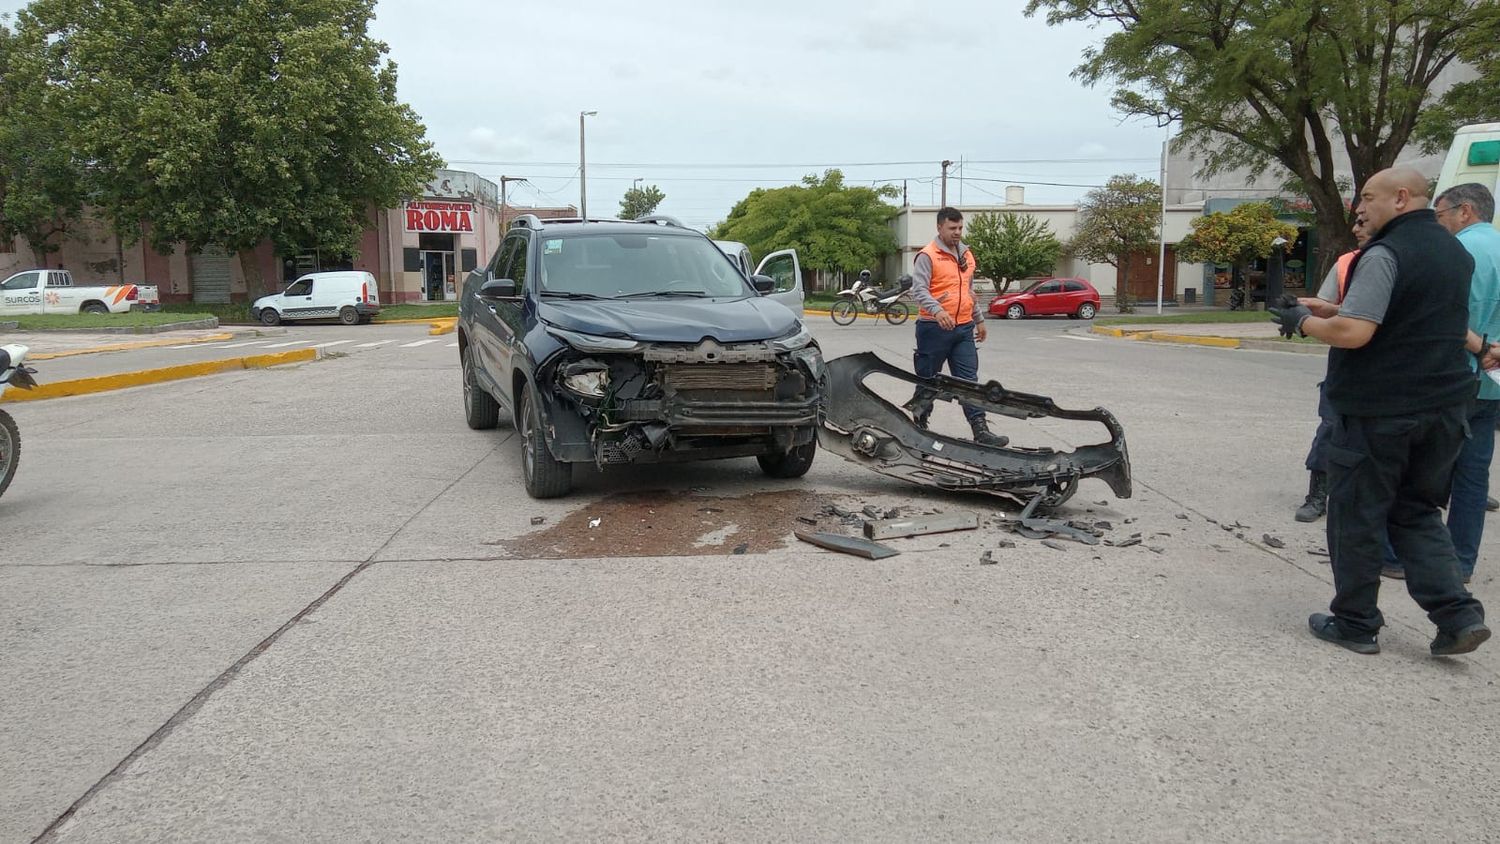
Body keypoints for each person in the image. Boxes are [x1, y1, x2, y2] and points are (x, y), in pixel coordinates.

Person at [1271, 167, 1489, 657]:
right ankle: (1458, 616)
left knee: (1356, 516)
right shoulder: (1452, 252)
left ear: (1402, 198)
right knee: (1415, 513)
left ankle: (1354, 622)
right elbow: (1416, 320)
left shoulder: (1385, 252)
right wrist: (1329, 310)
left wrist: (1302, 321)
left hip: (1381, 413)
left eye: (1367, 198)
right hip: (1444, 411)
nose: (1359, 208)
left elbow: (1357, 335)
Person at [1381, 182, 1500, 585]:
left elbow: (1446, 314)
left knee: (1413, 469)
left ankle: (1396, 556)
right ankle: (1460, 563)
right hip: (1491, 385)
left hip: (1452, 379)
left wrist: (1480, 346)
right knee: (1472, 476)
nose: (1438, 222)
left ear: (1464, 212)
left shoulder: (1460, 253)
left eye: (1440, 214)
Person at [903, 207, 1007, 446]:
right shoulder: (927, 256)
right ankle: (919, 425)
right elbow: (918, 291)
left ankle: (981, 431)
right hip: (933, 329)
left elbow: (967, 292)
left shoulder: (967, 255)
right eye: (952, 228)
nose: (957, 232)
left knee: (969, 382)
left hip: (963, 329)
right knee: (929, 381)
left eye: (960, 227)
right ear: (940, 227)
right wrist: (938, 311)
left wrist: (979, 320)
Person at [1294, 216, 1372, 522]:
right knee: (1330, 427)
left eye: (1365, 222)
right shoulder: (1346, 263)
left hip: (1391, 367)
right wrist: (1303, 318)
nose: (1356, 228)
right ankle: (1318, 494)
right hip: (1346, 363)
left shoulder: (1403, 259)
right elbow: (1323, 307)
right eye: (1357, 222)